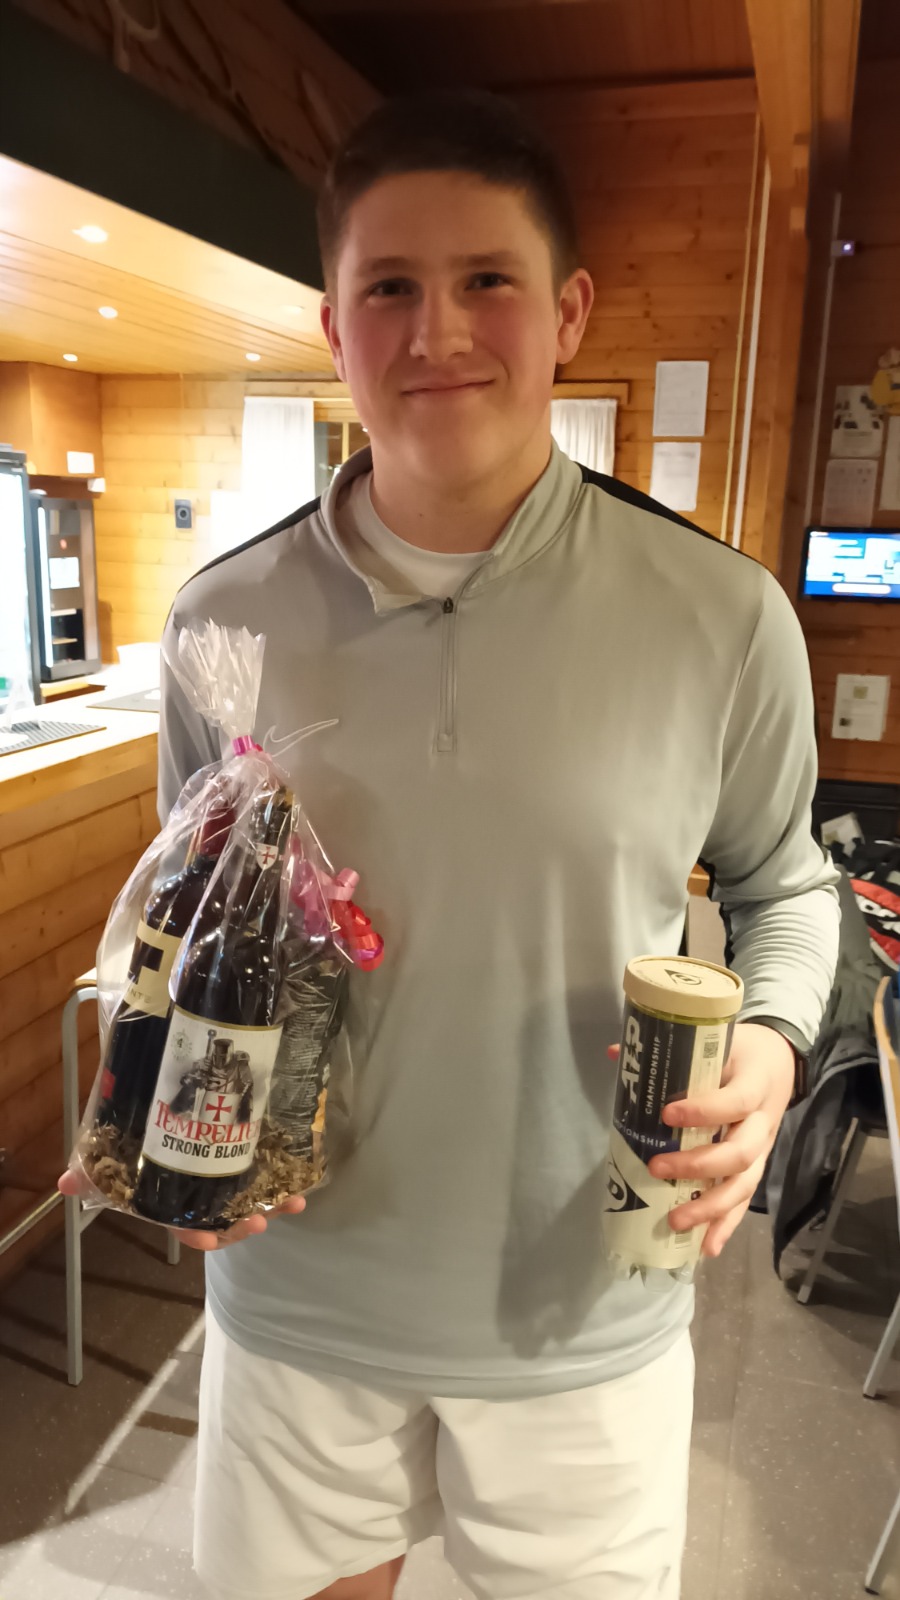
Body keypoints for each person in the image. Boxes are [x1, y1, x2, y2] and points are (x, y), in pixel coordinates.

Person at [156, 90, 840, 1600]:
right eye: (389, 287)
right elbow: (195, 930)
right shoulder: (223, 621)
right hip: (300, 1293)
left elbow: (788, 885)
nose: (438, 331)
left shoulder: (721, 616)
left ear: (569, 312)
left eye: (487, 280)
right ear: (333, 327)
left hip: (586, 1301)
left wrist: (776, 1049)